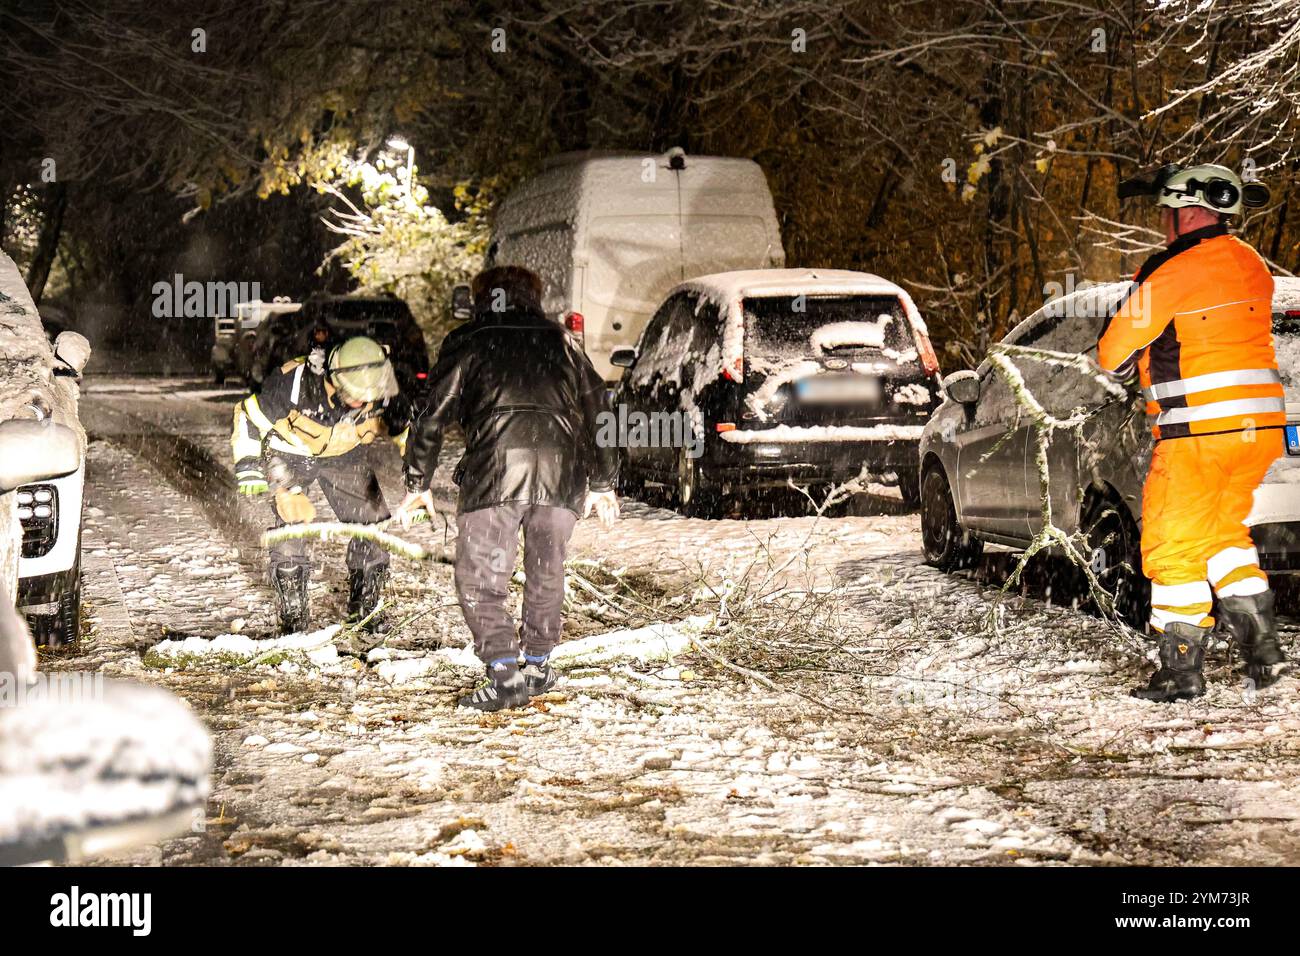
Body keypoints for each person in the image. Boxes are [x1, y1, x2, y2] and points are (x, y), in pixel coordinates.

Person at [1099, 163, 1287, 701]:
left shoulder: (1174, 270)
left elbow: (1112, 351)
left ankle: (1180, 672)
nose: (1162, 224)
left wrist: (1135, 307)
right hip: (1257, 434)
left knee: (1173, 544)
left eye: (1165, 213)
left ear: (1186, 212)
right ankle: (1263, 654)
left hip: (1197, 436)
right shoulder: (1251, 264)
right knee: (1223, 539)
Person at [397, 266, 619, 711]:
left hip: (495, 475)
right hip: (561, 476)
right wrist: (603, 480)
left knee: (482, 577)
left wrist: (417, 481)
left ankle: (504, 674)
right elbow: (600, 407)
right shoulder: (561, 341)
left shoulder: (468, 339)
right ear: (535, 298)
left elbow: (433, 413)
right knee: (545, 569)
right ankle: (537, 665)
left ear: (482, 299)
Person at [232, 335, 411, 636]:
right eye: (355, 397)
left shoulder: (382, 386)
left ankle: (365, 609)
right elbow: (249, 416)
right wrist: (250, 468)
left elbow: (408, 431)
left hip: (346, 454)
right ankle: (293, 616)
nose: (364, 403)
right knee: (293, 523)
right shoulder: (293, 383)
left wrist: (418, 478)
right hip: (291, 452)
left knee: (372, 524)